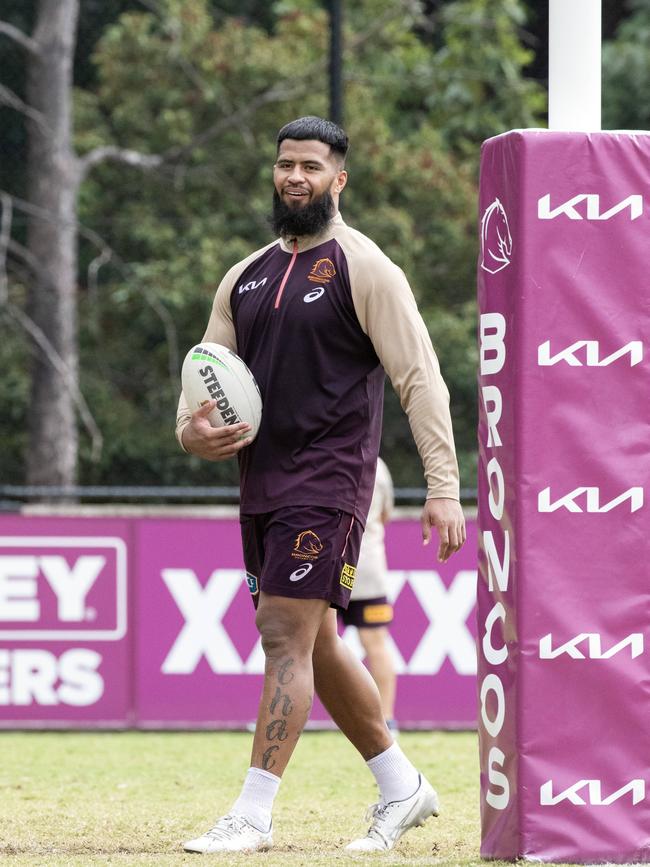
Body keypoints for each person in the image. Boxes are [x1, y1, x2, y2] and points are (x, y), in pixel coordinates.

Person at [176, 115, 466, 854]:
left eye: (310, 166)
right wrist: (194, 434)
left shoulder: (366, 268)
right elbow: (200, 394)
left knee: (281, 635)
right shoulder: (243, 277)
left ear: (339, 179)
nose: (294, 177)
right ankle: (403, 787)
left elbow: (420, 379)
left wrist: (443, 485)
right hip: (261, 486)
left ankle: (252, 813)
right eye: (285, 165)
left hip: (332, 482)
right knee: (320, 645)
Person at [339, 456, 398, 731]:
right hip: (368, 566)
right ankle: (387, 720)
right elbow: (385, 515)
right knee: (376, 645)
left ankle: (291, 718)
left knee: (301, 646)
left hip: (330, 564)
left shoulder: (325, 452)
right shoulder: (380, 465)